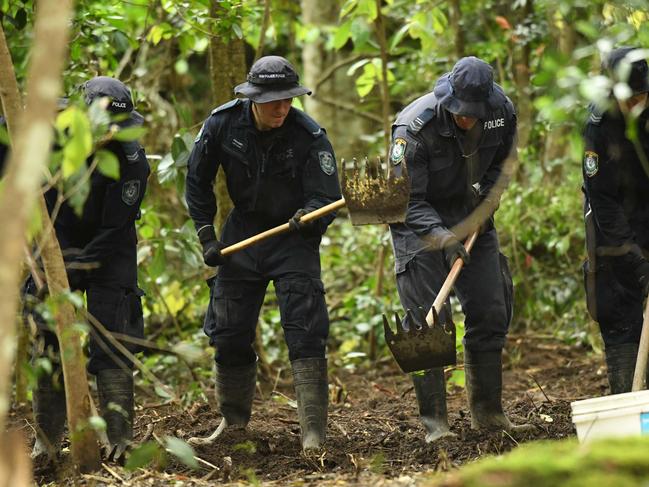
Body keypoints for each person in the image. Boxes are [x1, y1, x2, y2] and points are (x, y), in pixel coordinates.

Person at [185, 55, 341, 450]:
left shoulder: (309, 135)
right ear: (253, 99)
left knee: (306, 330)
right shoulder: (221, 124)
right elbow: (197, 182)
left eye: (288, 99)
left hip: (294, 237)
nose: (282, 107)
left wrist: (309, 217)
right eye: (274, 100)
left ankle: (313, 433)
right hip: (243, 233)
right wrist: (207, 237)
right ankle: (234, 423)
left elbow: (327, 196)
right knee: (229, 331)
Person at [388, 56, 531, 442]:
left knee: (491, 308)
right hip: (417, 223)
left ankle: (489, 414)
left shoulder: (502, 113)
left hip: (472, 216)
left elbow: (503, 168)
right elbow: (406, 201)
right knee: (426, 322)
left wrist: (488, 203)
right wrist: (443, 239)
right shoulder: (413, 128)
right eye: (461, 113)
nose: (467, 120)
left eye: (474, 114)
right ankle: (436, 425)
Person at [26, 77, 150, 462]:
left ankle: (119, 439)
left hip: (110, 250)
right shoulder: (45, 137)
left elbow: (116, 226)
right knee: (47, 338)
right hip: (52, 246)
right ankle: (46, 442)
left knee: (113, 337)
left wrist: (80, 263)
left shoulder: (130, 158)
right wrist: (52, 262)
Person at [582, 47, 649, 394]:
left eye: (643, 95)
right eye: (631, 97)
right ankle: (627, 394)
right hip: (611, 224)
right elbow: (603, 200)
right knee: (617, 306)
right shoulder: (599, 127)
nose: (638, 103)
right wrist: (635, 260)